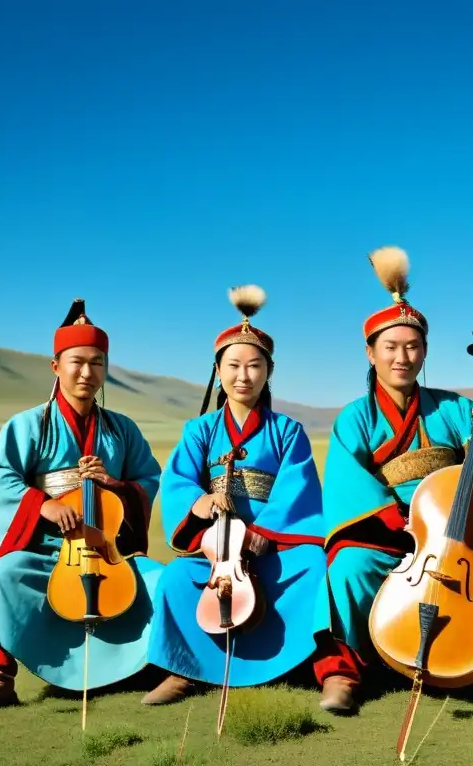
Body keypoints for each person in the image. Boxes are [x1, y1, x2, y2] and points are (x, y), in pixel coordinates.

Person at [314, 246, 473, 714]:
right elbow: (349, 486)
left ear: (425, 352)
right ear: (371, 352)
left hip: (462, 542)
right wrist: (409, 527)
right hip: (388, 536)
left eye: (412, 347)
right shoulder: (354, 418)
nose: (402, 357)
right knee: (346, 571)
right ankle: (344, 674)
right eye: (391, 347)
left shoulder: (456, 408)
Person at [0, 299, 171, 716]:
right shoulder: (27, 425)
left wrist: (116, 486)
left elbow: (148, 479)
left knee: (162, 580)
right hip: (46, 551)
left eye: (97, 363)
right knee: (2, 577)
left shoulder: (123, 429)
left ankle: (160, 668)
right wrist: (43, 505)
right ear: (56, 366)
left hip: (108, 551)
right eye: (76, 362)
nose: (87, 373)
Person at [142, 285, 333, 705]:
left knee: (315, 566)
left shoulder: (288, 431)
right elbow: (177, 480)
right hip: (216, 546)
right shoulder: (199, 431)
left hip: (272, 543)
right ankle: (182, 669)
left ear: (268, 371)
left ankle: (301, 664)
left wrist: (265, 531)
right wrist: (198, 501)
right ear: (218, 369)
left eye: (254, 366)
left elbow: (298, 487)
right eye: (233, 365)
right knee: (176, 577)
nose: (243, 376)